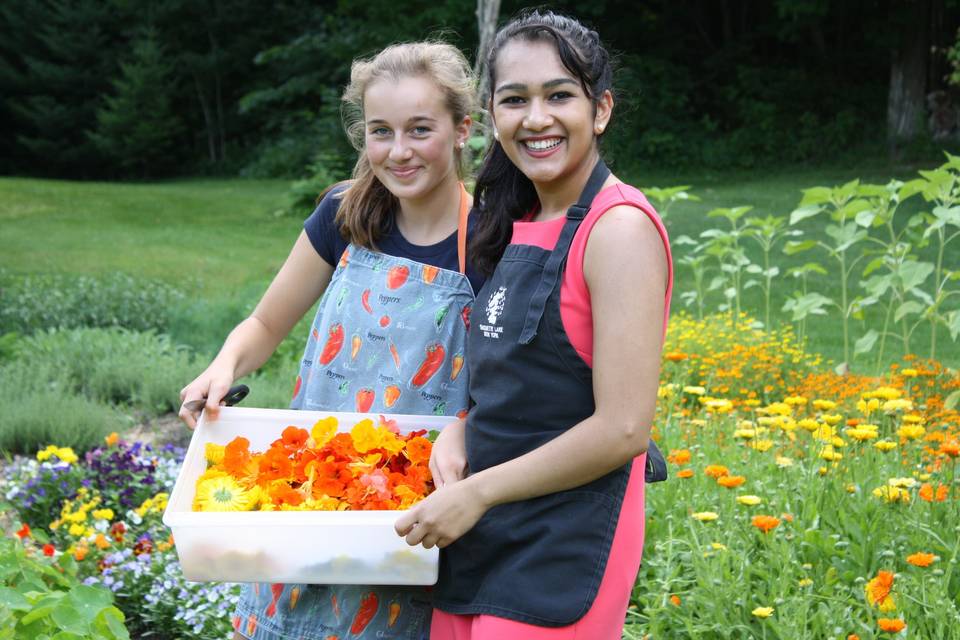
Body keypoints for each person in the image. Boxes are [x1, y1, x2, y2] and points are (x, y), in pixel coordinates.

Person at [178, 41, 482, 640]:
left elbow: (509, 386)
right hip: (313, 491)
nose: (398, 152)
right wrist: (223, 364)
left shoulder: (491, 241)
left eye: (420, 130)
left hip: (410, 511)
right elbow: (265, 324)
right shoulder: (345, 215)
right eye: (380, 131)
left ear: (462, 130)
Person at [394, 10, 673, 640]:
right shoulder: (509, 220)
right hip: (482, 528)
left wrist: (479, 493)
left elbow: (623, 428)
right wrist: (461, 432)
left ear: (600, 109)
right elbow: (516, 380)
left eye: (559, 95)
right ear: (494, 115)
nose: (537, 118)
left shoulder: (618, 229)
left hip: (563, 540)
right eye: (515, 99)